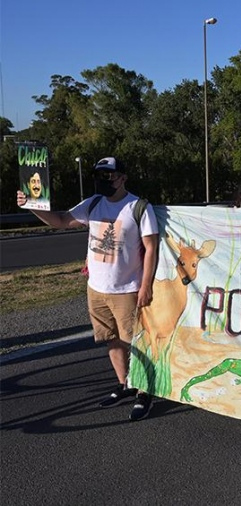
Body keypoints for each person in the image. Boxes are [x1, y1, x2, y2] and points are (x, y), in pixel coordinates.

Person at [16, 157, 160, 421]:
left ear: (123, 177)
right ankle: (124, 384)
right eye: (99, 176)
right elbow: (59, 220)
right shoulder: (92, 203)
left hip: (127, 289)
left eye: (110, 176)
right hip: (96, 288)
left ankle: (143, 393)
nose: (104, 181)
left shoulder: (138, 207)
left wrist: (145, 285)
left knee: (135, 344)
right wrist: (31, 207)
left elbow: (151, 247)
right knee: (110, 340)